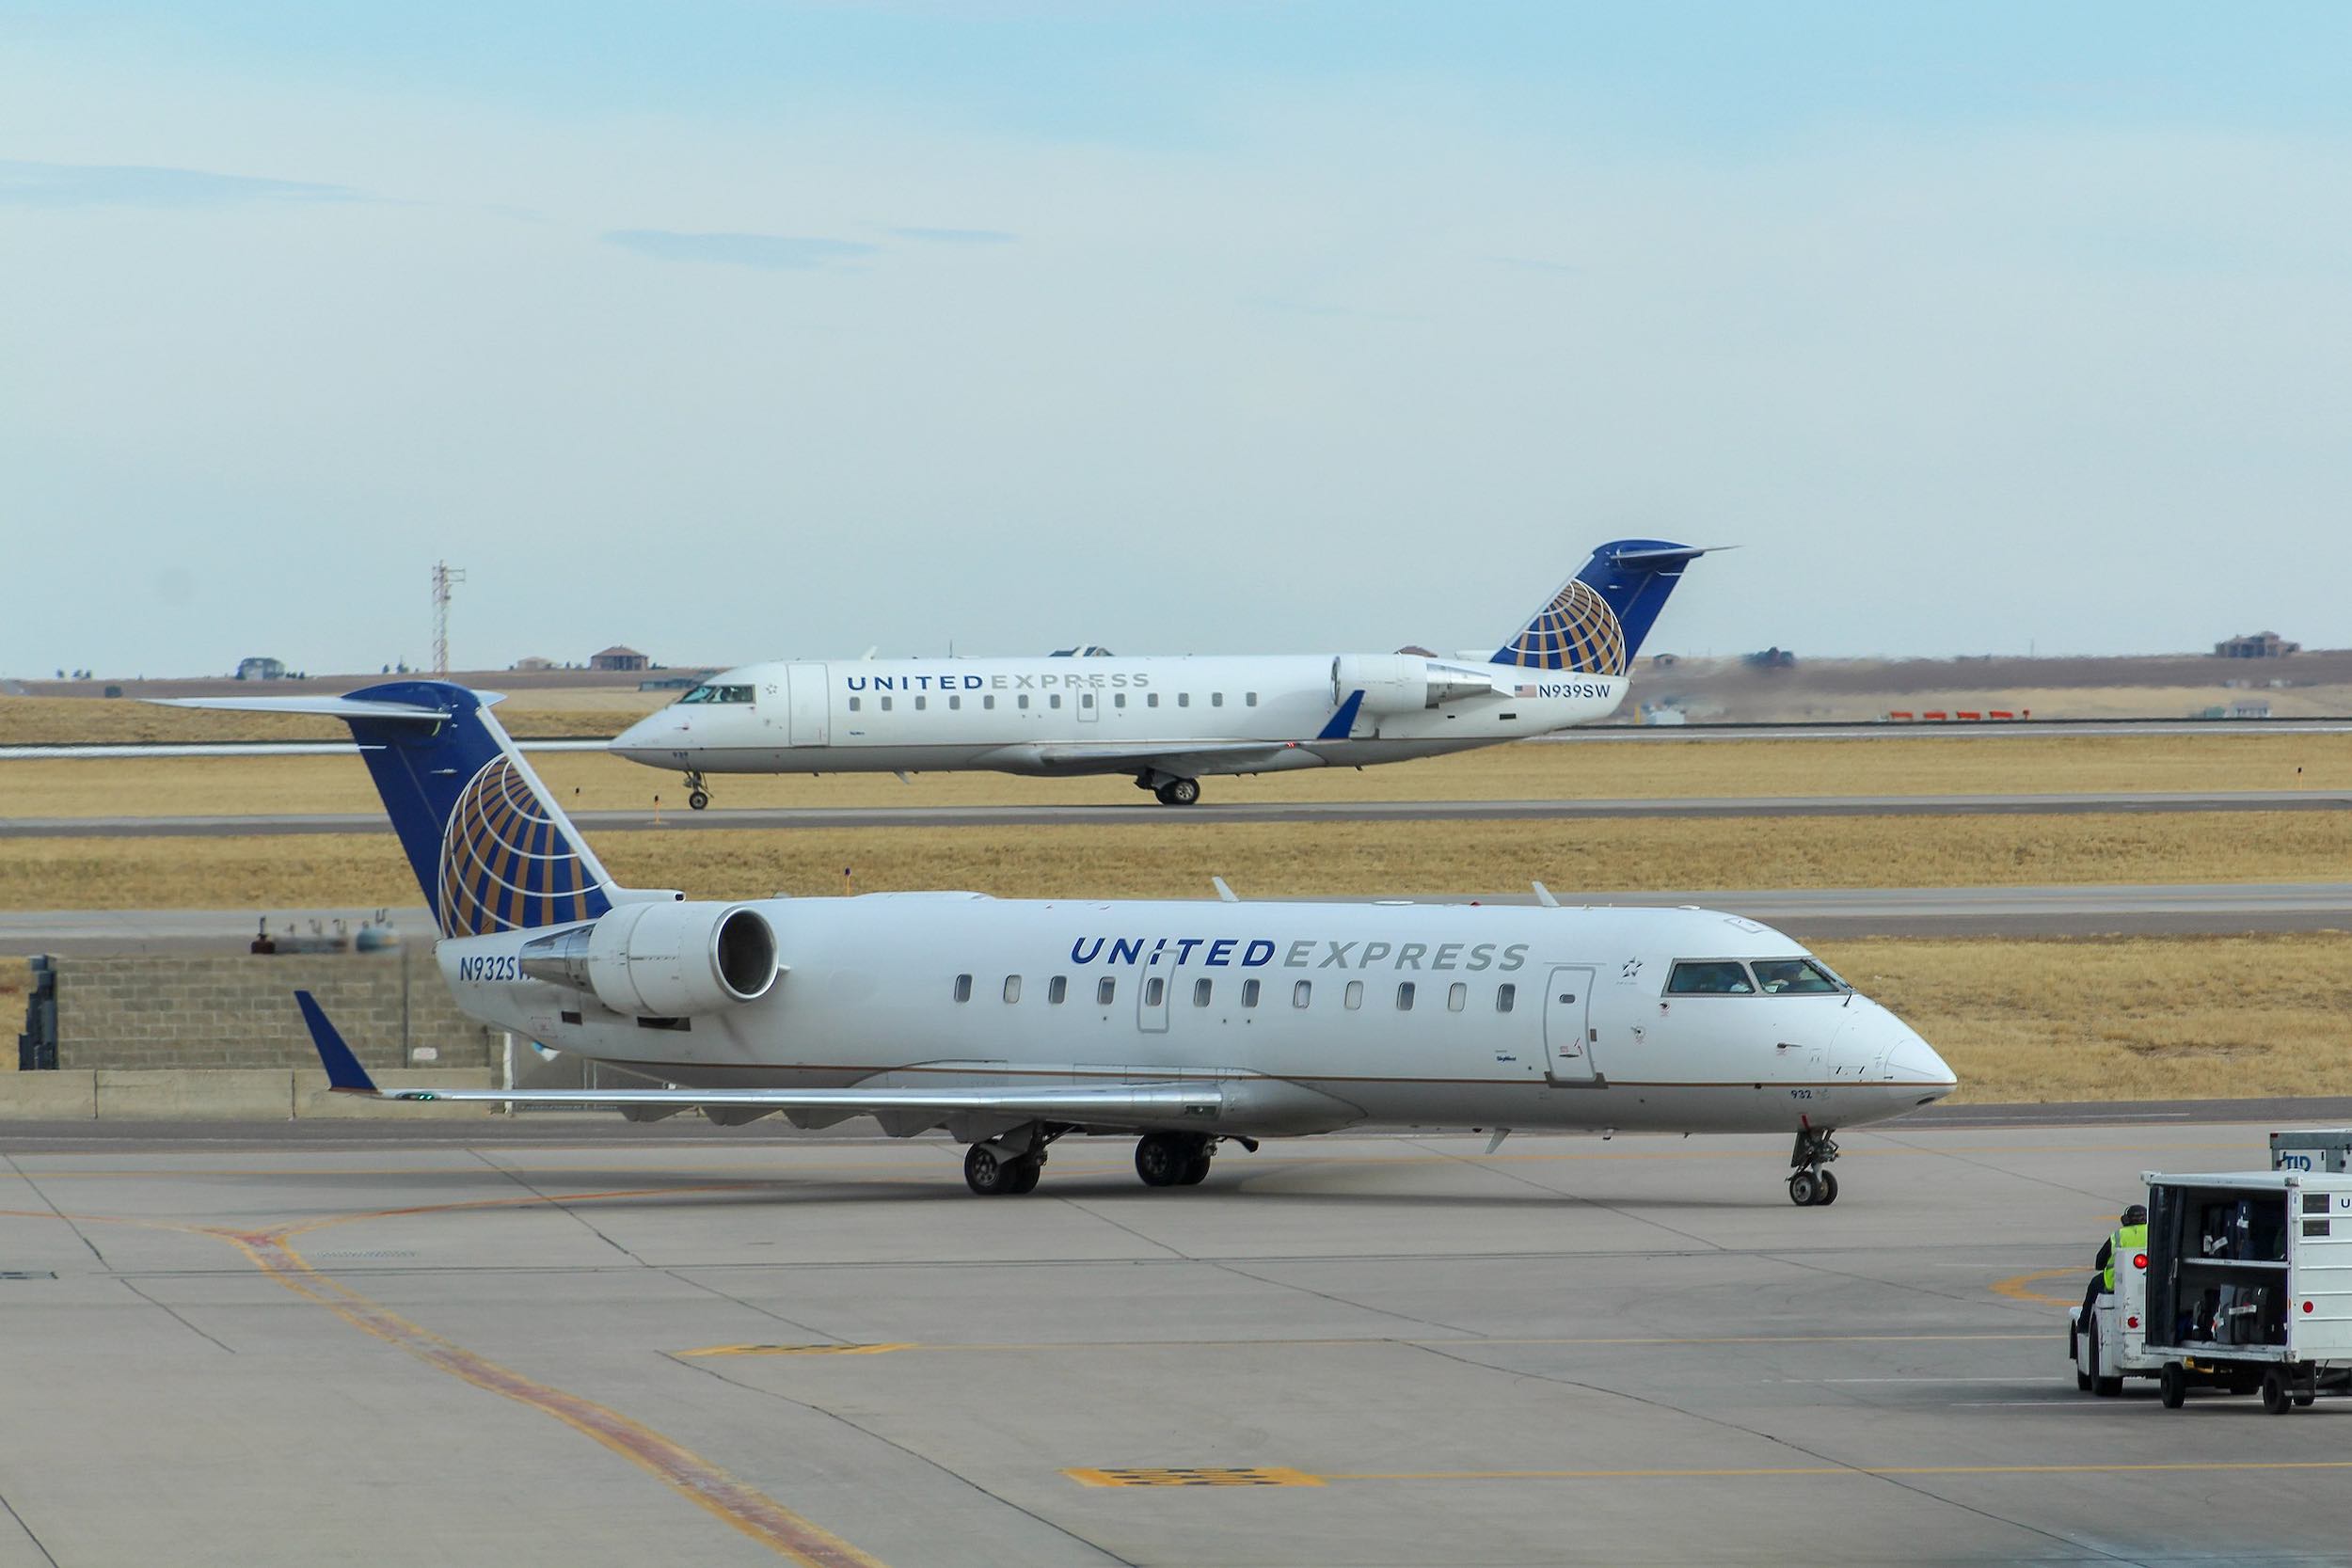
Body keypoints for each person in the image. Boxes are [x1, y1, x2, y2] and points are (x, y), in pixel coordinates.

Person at [2081, 1203, 2151, 1325]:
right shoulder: (2154, 1232)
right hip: (2150, 1282)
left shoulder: (2118, 1235)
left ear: (2126, 1220)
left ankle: (2083, 1325)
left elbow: (2099, 1263)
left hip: (2117, 1283)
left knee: (2094, 1284)